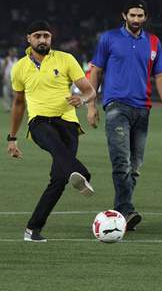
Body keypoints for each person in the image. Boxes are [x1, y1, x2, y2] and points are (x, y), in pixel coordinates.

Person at [87, 0, 162, 231]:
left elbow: (161, 76)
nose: (136, 19)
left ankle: (121, 213)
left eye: (140, 15)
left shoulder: (154, 42)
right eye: (132, 15)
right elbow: (95, 71)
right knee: (122, 161)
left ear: (145, 18)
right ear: (124, 16)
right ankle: (126, 209)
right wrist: (91, 105)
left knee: (135, 166)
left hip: (143, 109)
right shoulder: (108, 39)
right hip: (116, 106)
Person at [7, 20, 96, 242]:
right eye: (37, 35)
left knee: (59, 179)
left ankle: (32, 229)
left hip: (68, 123)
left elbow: (89, 90)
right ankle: (83, 174)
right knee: (57, 150)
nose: (42, 40)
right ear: (29, 38)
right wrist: (12, 138)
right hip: (39, 123)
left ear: (51, 38)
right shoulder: (19, 68)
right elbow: (18, 104)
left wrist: (82, 100)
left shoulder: (66, 59)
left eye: (46, 35)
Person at [2, 47, 18, 111]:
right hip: (7, 77)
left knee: (14, 93)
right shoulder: (7, 59)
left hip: (14, 78)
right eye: (12, 52)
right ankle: (7, 106)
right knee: (6, 92)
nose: (13, 53)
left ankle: (13, 105)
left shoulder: (16, 59)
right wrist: (3, 77)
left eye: (14, 52)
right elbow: (3, 69)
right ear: (9, 52)